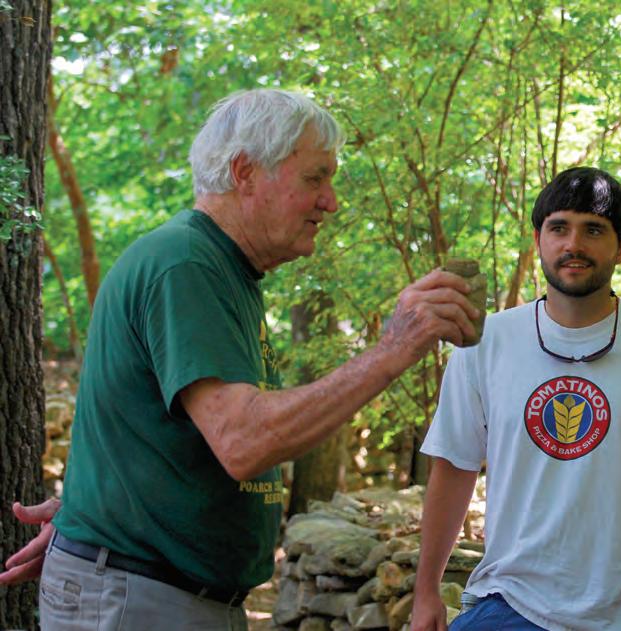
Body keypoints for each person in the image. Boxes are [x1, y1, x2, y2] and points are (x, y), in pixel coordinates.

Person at [0, 89, 479, 630]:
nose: (331, 202)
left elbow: (137, 424)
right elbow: (243, 439)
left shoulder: (221, 270)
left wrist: (89, 518)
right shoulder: (186, 265)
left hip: (158, 591)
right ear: (245, 172)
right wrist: (393, 350)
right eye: (315, 178)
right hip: (142, 596)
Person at [410, 167, 621, 631]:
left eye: (593, 230)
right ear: (538, 240)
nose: (573, 244)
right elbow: (454, 469)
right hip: (509, 602)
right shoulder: (485, 343)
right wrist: (426, 592)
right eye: (558, 228)